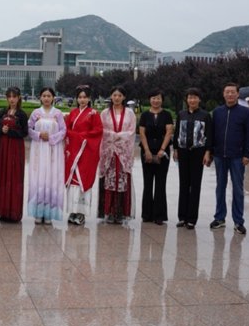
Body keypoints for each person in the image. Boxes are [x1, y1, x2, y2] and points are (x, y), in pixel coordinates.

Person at [209, 83, 249, 235]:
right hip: (220, 155)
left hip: (237, 156)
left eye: (232, 92)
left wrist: (247, 153)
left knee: (238, 189)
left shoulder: (245, 112)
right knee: (220, 187)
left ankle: (238, 221)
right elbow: (212, 133)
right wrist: (210, 152)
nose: (230, 95)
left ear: (237, 94)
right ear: (223, 94)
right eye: (227, 92)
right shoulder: (217, 112)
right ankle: (220, 217)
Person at [173, 88, 212, 229]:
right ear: (186, 99)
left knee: (195, 185)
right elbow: (177, 132)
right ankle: (182, 217)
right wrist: (175, 149)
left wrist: (208, 152)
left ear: (199, 99)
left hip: (198, 153)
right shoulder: (181, 114)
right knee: (183, 184)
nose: (192, 100)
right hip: (183, 152)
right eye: (190, 98)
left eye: (195, 97)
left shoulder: (205, 115)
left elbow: (209, 135)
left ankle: (191, 219)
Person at [64, 85, 103, 225]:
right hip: (73, 150)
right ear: (76, 98)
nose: (82, 100)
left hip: (86, 152)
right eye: (80, 97)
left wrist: (81, 136)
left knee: (82, 181)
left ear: (89, 98)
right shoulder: (72, 113)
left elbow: (98, 131)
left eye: (85, 97)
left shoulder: (94, 114)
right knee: (72, 180)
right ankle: (72, 211)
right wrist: (74, 137)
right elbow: (66, 130)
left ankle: (81, 213)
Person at [98, 85, 137, 224]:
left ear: (124, 97)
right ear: (111, 96)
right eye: (114, 95)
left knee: (121, 181)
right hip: (109, 151)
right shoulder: (104, 113)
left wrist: (118, 136)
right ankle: (108, 212)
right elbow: (101, 130)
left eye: (120, 95)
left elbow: (132, 131)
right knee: (109, 181)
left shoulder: (130, 113)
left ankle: (120, 213)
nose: (117, 98)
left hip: (123, 152)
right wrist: (113, 136)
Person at [28, 86, 66, 224]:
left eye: (49, 96)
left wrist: (51, 138)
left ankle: (49, 212)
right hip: (38, 150)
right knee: (38, 178)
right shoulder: (36, 113)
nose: (46, 98)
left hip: (52, 150)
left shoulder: (58, 114)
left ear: (53, 98)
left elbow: (63, 131)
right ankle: (38, 212)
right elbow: (28, 128)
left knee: (51, 178)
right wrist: (38, 135)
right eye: (44, 96)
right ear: (40, 98)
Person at [0, 86, 29, 222]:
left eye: (14, 96)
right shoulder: (2, 113)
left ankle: (14, 212)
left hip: (15, 149)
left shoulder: (22, 114)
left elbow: (25, 132)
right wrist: (2, 130)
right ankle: (3, 210)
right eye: (9, 96)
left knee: (14, 177)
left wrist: (11, 132)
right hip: (3, 148)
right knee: (2, 176)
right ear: (7, 98)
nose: (12, 99)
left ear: (19, 98)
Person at [138, 88, 173, 225]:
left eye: (158, 98)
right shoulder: (145, 115)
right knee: (147, 183)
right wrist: (146, 150)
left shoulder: (167, 115)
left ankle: (159, 215)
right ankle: (146, 214)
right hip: (146, 151)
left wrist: (162, 149)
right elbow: (142, 133)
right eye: (153, 98)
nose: (155, 100)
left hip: (162, 152)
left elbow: (169, 132)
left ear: (162, 99)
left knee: (160, 183)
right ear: (150, 99)